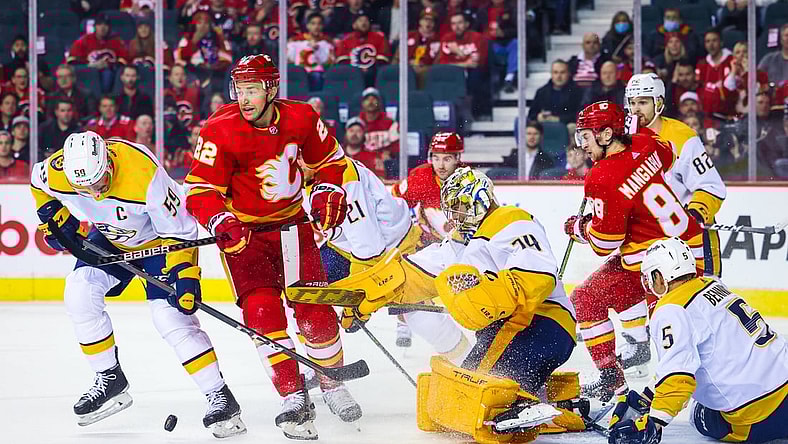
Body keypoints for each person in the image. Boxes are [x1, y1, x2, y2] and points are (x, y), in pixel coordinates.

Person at [183, 54, 361, 440]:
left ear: (271, 89)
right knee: (262, 314)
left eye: (252, 90)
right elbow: (198, 191)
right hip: (245, 239)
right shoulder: (219, 129)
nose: (243, 98)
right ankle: (293, 395)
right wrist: (220, 220)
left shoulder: (301, 118)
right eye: (239, 90)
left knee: (314, 312)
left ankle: (332, 382)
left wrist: (328, 188)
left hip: (294, 230)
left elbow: (332, 161)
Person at [338, 167, 581, 440]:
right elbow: (410, 276)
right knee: (460, 398)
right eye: (451, 209)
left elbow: (538, 276)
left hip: (544, 325)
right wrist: (366, 294)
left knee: (478, 402)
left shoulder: (510, 220)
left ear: (480, 199)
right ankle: (554, 400)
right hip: (503, 333)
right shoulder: (456, 244)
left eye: (460, 206)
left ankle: (541, 410)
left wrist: (483, 297)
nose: (454, 217)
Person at [28, 131, 246, 437]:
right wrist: (51, 218)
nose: (94, 191)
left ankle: (220, 396)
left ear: (108, 164)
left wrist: (185, 273)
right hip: (111, 238)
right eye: (84, 187)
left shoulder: (143, 174)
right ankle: (110, 379)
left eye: (99, 181)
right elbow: (37, 185)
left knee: (169, 317)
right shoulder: (58, 169)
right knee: (79, 291)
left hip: (161, 240)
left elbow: (181, 230)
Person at [565, 101, 706, 402]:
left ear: (605, 136)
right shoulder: (646, 142)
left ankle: (649, 389)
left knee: (671, 333)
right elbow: (668, 156)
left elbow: (605, 243)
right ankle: (614, 382)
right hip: (688, 250)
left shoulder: (601, 177)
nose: (581, 146)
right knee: (587, 298)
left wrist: (579, 227)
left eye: (585, 137)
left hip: (661, 265)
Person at [607, 237, 788, 444]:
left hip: (758, 417)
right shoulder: (714, 285)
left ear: (660, 276)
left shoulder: (671, 309)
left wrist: (653, 423)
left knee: (698, 412)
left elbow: (678, 376)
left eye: (650, 277)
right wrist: (648, 396)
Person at [301, 156, 472, 365]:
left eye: (302, 157)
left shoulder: (344, 179)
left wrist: (357, 304)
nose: (297, 164)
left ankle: (471, 363)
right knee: (305, 295)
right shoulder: (300, 175)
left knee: (419, 316)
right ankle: (317, 363)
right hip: (348, 247)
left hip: (393, 249)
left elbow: (369, 248)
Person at [623, 74, 727, 360]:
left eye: (642, 102)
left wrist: (695, 212)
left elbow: (712, 187)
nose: (635, 110)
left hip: (692, 240)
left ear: (659, 103)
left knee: (704, 309)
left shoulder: (682, 137)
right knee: (666, 317)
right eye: (631, 102)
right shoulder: (626, 141)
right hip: (657, 246)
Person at [390, 132, 464, 346]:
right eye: (436, 157)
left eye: (447, 158)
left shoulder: (469, 181)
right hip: (424, 240)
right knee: (403, 271)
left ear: (458, 157)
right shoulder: (421, 176)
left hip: (458, 245)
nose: (440, 165)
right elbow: (394, 203)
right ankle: (404, 320)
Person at [67, 13, 129, 93]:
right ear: (95, 26)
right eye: (99, 25)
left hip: (109, 73)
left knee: (107, 74)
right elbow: (72, 61)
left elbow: (124, 60)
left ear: (109, 27)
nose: (102, 28)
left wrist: (109, 65)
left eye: (105, 25)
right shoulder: (84, 40)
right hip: (88, 72)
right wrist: (90, 65)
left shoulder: (116, 42)